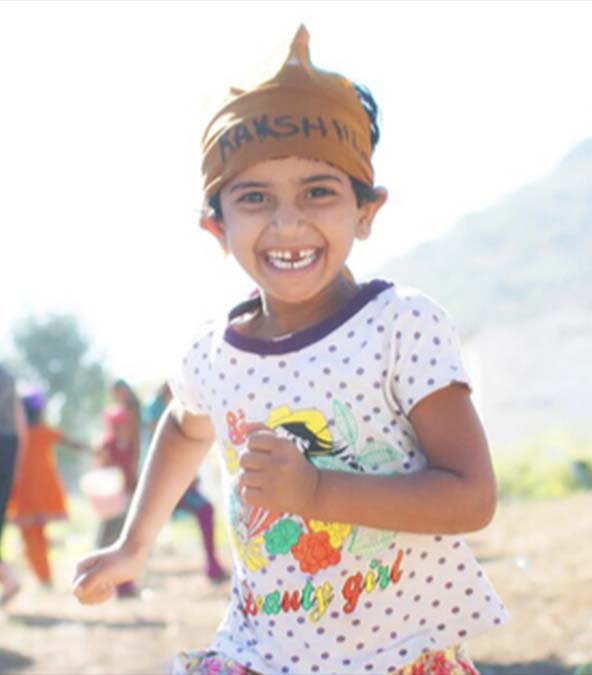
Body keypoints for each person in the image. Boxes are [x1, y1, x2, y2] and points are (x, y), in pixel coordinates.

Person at [73, 26, 508, 674]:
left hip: (399, 656)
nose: (287, 222)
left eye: (318, 191)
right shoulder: (213, 353)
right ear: (217, 227)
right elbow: (186, 425)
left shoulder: (399, 326)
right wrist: (134, 543)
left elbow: (471, 497)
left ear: (366, 211)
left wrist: (316, 491)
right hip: (263, 654)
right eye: (254, 198)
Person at [144, 382, 229, 584]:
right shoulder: (159, 409)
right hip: (166, 481)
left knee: (205, 510)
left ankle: (212, 566)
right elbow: (163, 446)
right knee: (204, 510)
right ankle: (212, 566)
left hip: (176, 479)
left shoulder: (176, 404)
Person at [8, 388, 87, 587]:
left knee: (30, 535)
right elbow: (71, 443)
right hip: (39, 490)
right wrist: (93, 450)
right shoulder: (41, 432)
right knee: (36, 534)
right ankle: (44, 575)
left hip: (25, 491)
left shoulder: (18, 434)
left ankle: (43, 575)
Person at [94, 379, 141, 598]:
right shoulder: (108, 445)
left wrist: (132, 482)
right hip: (110, 493)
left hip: (124, 490)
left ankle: (123, 584)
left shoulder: (130, 445)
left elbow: (133, 462)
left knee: (122, 536)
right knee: (107, 535)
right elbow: (102, 466)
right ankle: (101, 579)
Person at [0, 365, 26, 605]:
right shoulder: (7, 375)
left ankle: (8, 578)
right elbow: (21, 424)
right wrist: (18, 467)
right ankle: (8, 578)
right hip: (9, 447)